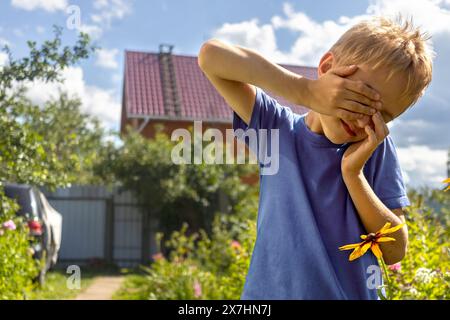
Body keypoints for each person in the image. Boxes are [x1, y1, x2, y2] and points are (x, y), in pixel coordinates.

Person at [198, 16, 433, 299]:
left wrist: (354, 175)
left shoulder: (375, 148)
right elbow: (211, 56)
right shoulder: (276, 128)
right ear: (327, 69)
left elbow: (396, 248)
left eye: (382, 117)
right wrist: (305, 90)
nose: (364, 122)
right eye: (360, 100)